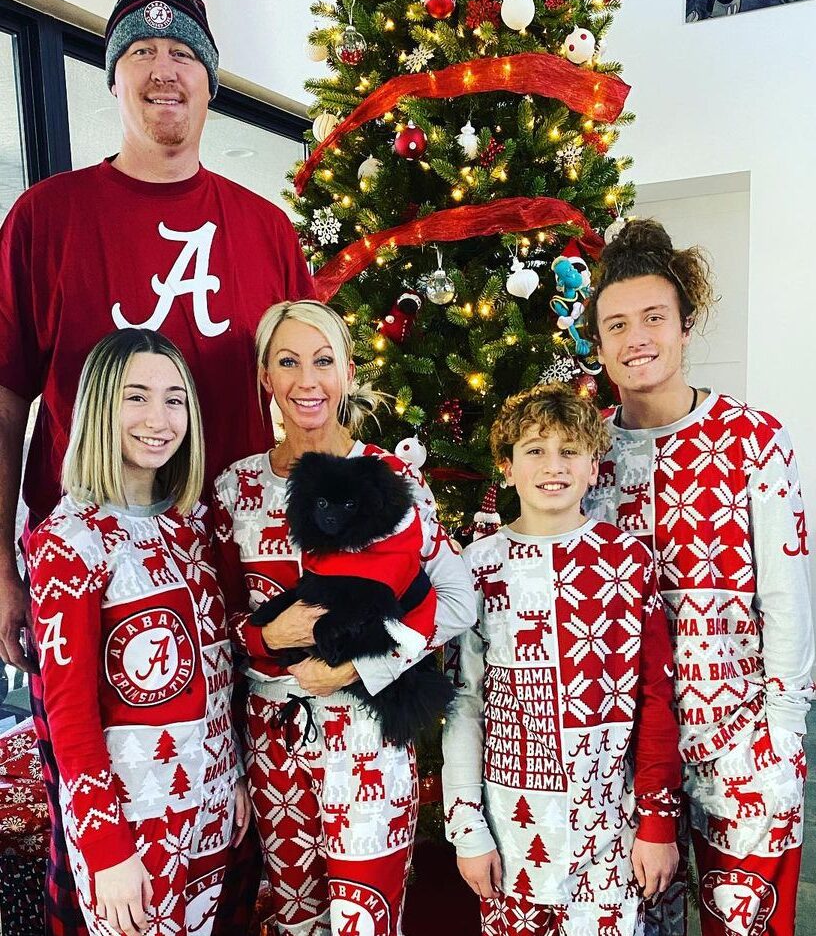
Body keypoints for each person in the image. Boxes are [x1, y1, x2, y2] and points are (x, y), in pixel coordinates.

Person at [0, 0, 313, 932]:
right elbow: (6, 394)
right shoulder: (45, 219)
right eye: (141, 51)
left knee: (232, 831)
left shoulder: (267, 231)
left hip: (239, 577)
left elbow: (308, 400)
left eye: (184, 56)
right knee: (99, 854)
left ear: (212, 84)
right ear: (112, 76)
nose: (163, 71)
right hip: (94, 585)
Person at [212, 299, 475, 936]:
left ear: (348, 372)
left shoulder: (391, 477)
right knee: (294, 917)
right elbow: (206, 625)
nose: (308, 381)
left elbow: (458, 598)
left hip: (368, 735)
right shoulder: (231, 490)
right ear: (265, 378)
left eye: (323, 361)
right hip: (272, 738)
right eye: (288, 362)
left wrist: (364, 664)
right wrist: (265, 636)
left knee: (367, 919)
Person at [583, 219, 814, 936]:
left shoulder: (754, 439)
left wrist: (782, 731)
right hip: (624, 757)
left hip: (741, 741)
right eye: (616, 323)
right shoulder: (581, 451)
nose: (636, 337)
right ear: (598, 340)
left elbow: (787, 593)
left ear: (686, 325)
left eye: (654, 317)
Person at [26, 329, 250, 936]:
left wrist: (229, 781)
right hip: (131, 824)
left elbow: (219, 670)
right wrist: (105, 850)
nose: (160, 418)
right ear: (101, 407)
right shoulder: (72, 542)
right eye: (137, 397)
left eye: (175, 399)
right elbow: (69, 714)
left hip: (207, 806)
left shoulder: (194, 527)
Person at [442, 382, 682, 936]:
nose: (554, 466)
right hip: (509, 831)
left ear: (594, 466)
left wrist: (656, 822)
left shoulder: (627, 561)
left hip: (607, 833)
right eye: (534, 450)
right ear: (506, 467)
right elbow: (464, 704)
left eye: (569, 450)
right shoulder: (475, 567)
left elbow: (653, 697)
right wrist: (466, 827)